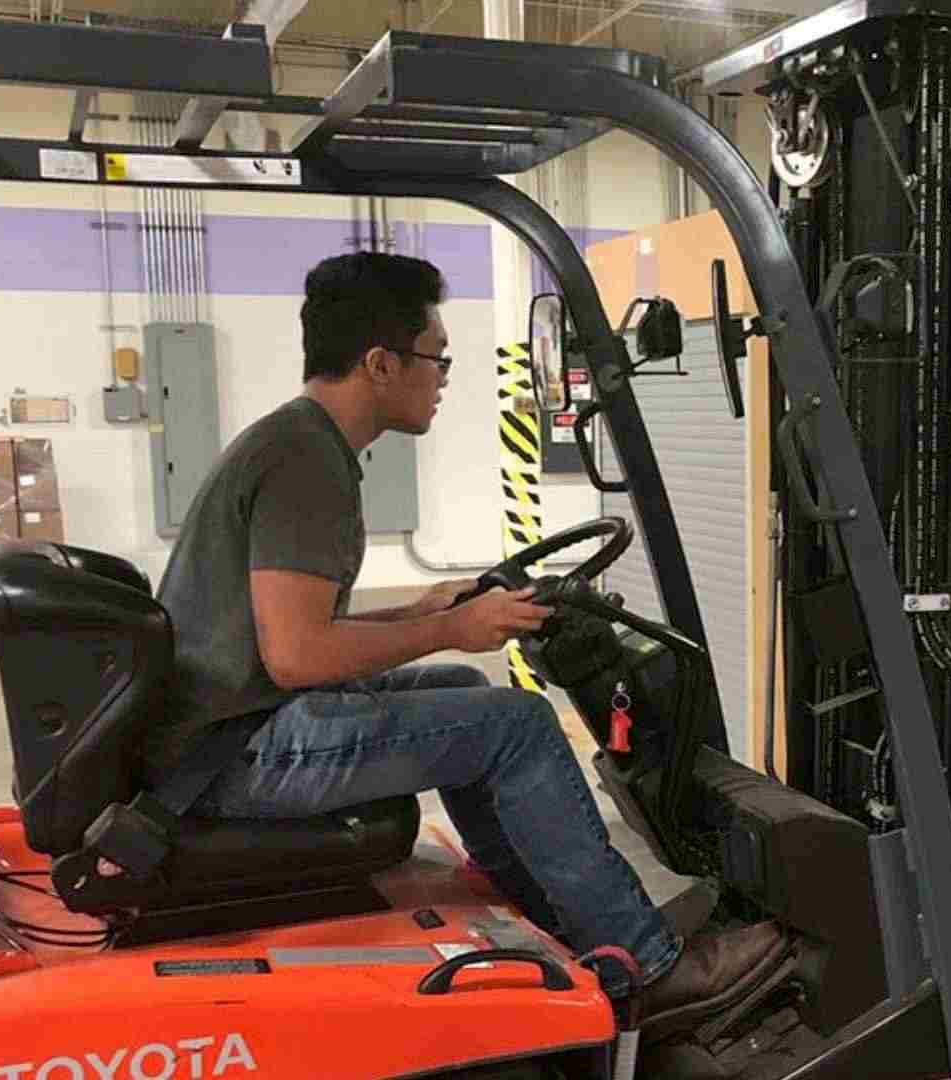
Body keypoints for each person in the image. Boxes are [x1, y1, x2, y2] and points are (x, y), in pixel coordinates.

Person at [141, 251, 781, 1035]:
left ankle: (549, 916)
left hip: (232, 730)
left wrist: (417, 611)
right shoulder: (306, 460)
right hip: (239, 753)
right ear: (381, 364)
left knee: (468, 693)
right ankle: (648, 967)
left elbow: (287, 633)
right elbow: (297, 658)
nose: (444, 377)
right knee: (519, 723)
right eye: (436, 358)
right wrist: (449, 627)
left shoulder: (296, 442)